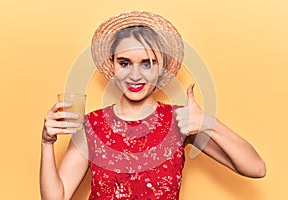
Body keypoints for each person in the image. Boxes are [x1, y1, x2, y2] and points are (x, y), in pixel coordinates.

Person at [40, 11, 266, 200]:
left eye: (147, 63)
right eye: (125, 63)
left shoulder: (181, 121)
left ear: (162, 68)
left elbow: (256, 169)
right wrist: (46, 142)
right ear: (113, 65)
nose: (135, 75)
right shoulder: (92, 125)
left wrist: (208, 122)